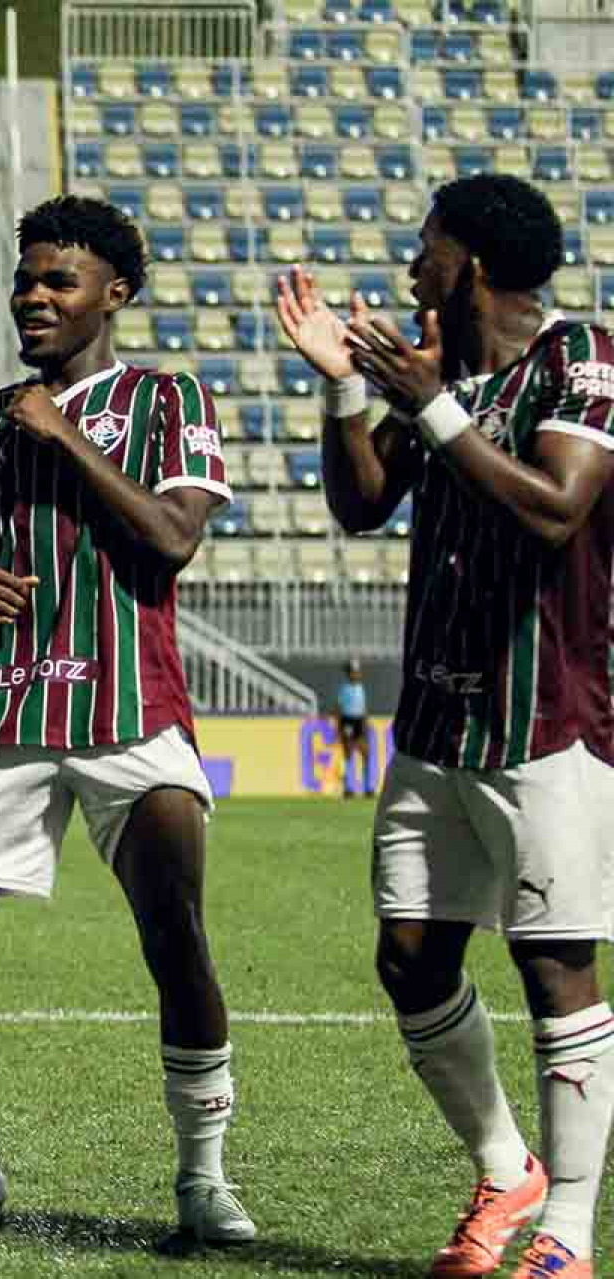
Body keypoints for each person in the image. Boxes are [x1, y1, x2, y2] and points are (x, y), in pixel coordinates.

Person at [0, 195, 253, 1244]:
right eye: (26, 279)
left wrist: (66, 435)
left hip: (134, 711)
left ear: (115, 295)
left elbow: (174, 539)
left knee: (175, 938)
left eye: (60, 282)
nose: (34, 296)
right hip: (4, 713)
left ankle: (203, 1180)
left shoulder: (171, 400)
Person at [277, 172, 614, 1279]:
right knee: (411, 955)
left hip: (552, 715)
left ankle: (565, 1229)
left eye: (427, 247)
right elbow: (363, 499)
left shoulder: (583, 358)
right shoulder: (450, 371)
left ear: (469, 260)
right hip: (436, 717)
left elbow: (558, 507)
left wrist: (429, 402)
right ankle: (503, 1163)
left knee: (556, 962)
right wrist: (341, 389)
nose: (414, 263)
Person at [334, 659, 371, 798]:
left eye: (357, 672)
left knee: (366, 754)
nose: (357, 674)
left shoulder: (360, 688)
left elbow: (363, 708)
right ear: (349, 674)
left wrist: (365, 723)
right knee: (348, 754)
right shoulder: (344, 689)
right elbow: (338, 709)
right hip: (348, 722)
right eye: (354, 672)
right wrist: (339, 728)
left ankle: (368, 787)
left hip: (358, 721)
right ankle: (348, 788)